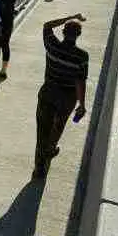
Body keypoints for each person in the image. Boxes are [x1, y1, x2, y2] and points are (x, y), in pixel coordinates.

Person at [33, 13, 88, 179]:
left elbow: (47, 25)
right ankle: (50, 149)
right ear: (78, 35)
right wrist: (82, 105)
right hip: (68, 97)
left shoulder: (52, 45)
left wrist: (70, 17)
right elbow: (80, 81)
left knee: (42, 130)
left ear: (63, 32)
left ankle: (39, 167)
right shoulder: (82, 56)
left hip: (48, 92)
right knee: (58, 125)